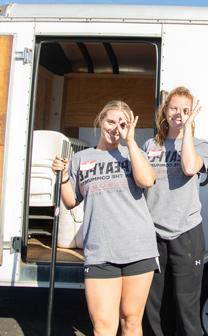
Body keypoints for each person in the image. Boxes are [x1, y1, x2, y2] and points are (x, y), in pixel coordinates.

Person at [52, 100, 158, 336]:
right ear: (100, 120)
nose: (115, 128)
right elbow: (71, 201)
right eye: (110, 121)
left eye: (122, 123)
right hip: (100, 250)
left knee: (131, 321)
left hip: (137, 248)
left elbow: (147, 180)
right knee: (103, 328)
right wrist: (63, 176)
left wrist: (130, 141)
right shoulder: (83, 158)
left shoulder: (134, 153)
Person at [142, 87, 208, 336]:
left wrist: (188, 131)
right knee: (154, 304)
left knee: (186, 304)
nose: (179, 114)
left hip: (186, 232)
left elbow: (190, 167)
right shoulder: (151, 144)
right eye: (174, 108)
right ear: (165, 111)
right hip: (153, 234)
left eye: (186, 110)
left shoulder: (201, 145)